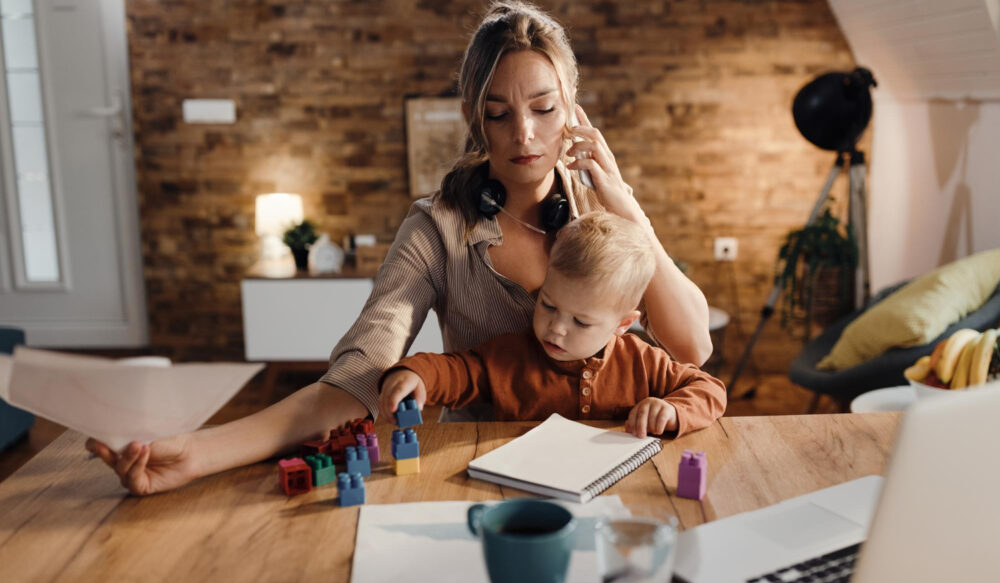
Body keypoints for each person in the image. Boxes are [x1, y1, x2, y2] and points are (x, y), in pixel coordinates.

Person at [87, 0, 713, 494]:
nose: (524, 133)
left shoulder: (608, 214)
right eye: (498, 114)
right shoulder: (436, 229)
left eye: (545, 109)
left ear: (572, 110)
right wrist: (197, 453)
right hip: (486, 470)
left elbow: (692, 346)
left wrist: (627, 205)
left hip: (614, 464)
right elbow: (357, 380)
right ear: (475, 116)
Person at [379, 212, 726, 438]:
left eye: (580, 321)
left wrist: (672, 410)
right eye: (547, 305)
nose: (556, 328)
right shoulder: (511, 356)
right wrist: (417, 374)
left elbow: (710, 390)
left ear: (623, 324)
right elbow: (457, 371)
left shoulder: (642, 361)